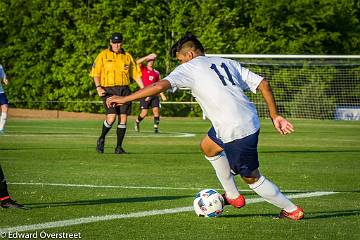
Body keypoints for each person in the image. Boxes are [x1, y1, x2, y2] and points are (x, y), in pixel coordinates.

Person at [106, 33, 304, 221]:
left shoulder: (189, 67)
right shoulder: (227, 62)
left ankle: (291, 210)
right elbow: (263, 83)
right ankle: (233, 196)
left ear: (189, 55)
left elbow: (158, 86)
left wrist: (125, 98)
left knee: (251, 178)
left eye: (180, 60)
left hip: (234, 129)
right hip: (246, 119)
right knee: (208, 147)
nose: (180, 65)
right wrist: (274, 115)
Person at [90, 32, 144, 154]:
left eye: (119, 42)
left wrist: (144, 89)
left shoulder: (127, 56)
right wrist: (98, 87)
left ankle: (118, 147)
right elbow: (95, 73)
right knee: (111, 117)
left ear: (122, 43)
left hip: (124, 89)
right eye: (114, 42)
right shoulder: (103, 55)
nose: (116, 45)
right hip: (108, 90)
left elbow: (136, 74)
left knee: (123, 118)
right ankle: (102, 138)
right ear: (110, 42)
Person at [135, 53, 167, 133]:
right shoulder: (143, 69)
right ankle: (137, 122)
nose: (151, 62)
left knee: (156, 111)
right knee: (144, 113)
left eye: (152, 60)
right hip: (145, 94)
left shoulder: (156, 72)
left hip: (154, 94)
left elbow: (158, 84)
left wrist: (162, 94)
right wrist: (147, 56)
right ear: (147, 61)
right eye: (149, 60)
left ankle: (156, 128)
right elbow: (137, 62)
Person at [0, 64, 9, 134]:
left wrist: (5, 79)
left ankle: (1, 129)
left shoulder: (0, 66)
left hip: (0, 92)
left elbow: (3, 76)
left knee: (5, 107)